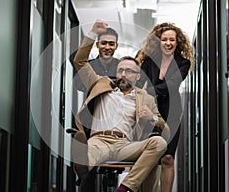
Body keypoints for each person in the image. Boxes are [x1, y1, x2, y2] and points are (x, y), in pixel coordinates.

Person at [71, 19, 169, 192]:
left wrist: (152, 118)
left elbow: (167, 132)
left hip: (125, 144)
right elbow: (80, 61)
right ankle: (83, 165)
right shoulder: (100, 83)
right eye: (121, 70)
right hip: (98, 141)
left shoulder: (144, 97)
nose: (124, 74)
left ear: (138, 76)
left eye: (129, 71)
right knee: (88, 154)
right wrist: (93, 33)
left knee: (159, 143)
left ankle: (125, 187)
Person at [136, 22, 195, 192]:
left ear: (178, 42)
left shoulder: (183, 63)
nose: (168, 43)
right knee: (152, 158)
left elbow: (172, 85)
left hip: (172, 113)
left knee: (168, 158)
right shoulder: (148, 61)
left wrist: (147, 90)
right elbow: (138, 82)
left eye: (172, 40)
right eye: (164, 39)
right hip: (149, 112)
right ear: (158, 41)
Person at [74, 26, 120, 92]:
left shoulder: (122, 67)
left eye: (111, 44)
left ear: (116, 46)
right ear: (97, 44)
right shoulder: (88, 66)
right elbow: (79, 84)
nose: (107, 47)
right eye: (103, 43)